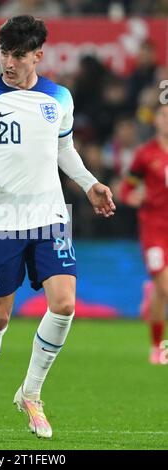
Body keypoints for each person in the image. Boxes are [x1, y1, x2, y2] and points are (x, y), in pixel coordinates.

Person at [0, 15, 115, 439]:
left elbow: (65, 150)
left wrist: (90, 184)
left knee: (64, 304)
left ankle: (31, 394)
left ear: (38, 55)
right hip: (0, 220)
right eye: (4, 53)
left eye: (18, 55)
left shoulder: (58, 98)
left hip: (50, 217)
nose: (8, 62)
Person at [120, 103, 168, 365]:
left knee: (161, 294)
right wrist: (134, 197)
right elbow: (126, 188)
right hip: (154, 230)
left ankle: (157, 348)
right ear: (156, 121)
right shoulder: (146, 155)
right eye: (164, 116)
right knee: (166, 288)